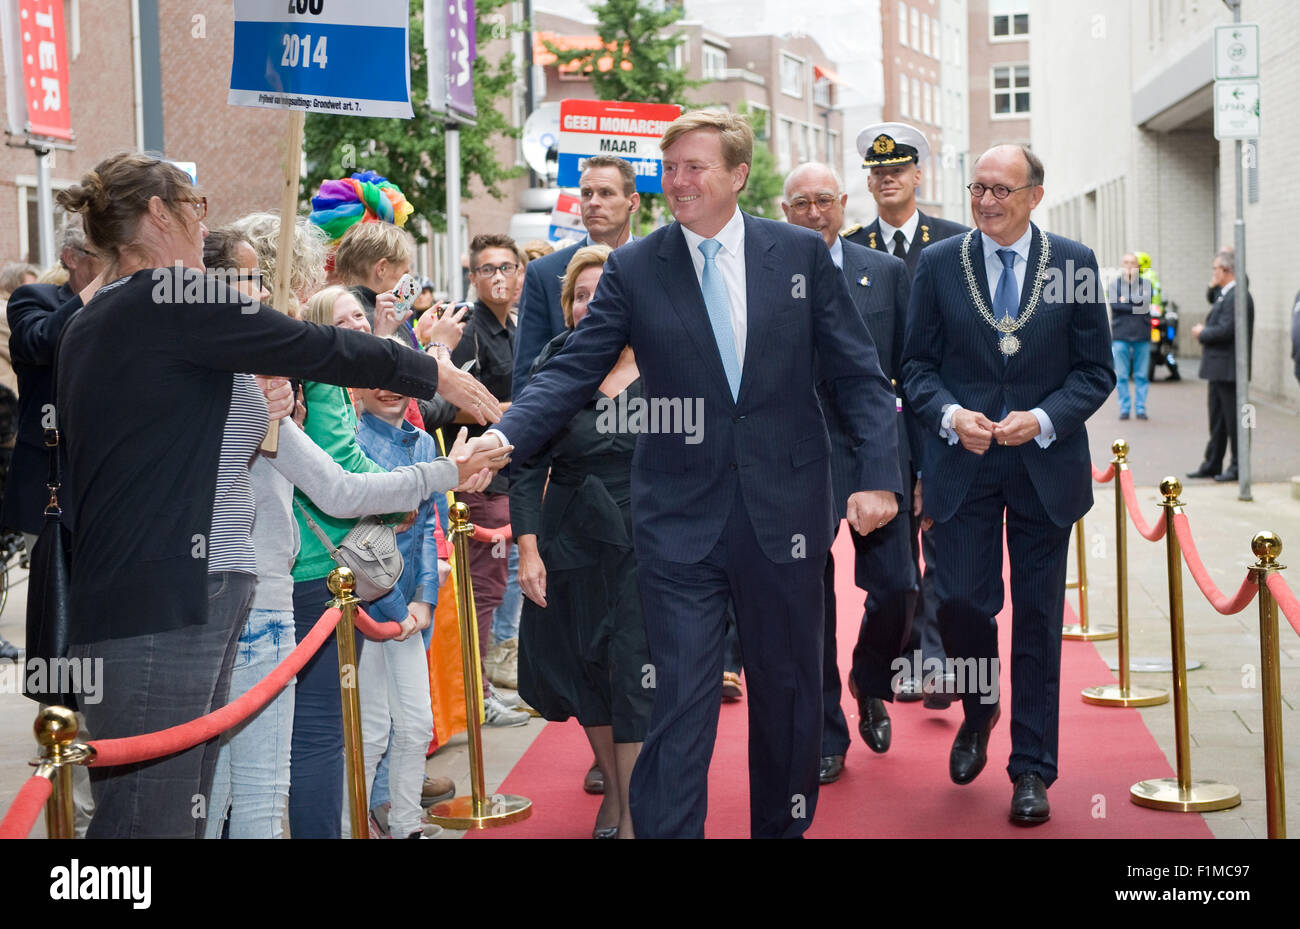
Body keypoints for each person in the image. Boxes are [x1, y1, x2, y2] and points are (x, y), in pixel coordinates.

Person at [460, 109, 901, 838]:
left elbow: (858, 372)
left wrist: (878, 473)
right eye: (670, 168)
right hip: (676, 526)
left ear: (737, 174)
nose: (680, 180)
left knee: (788, 698)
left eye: (696, 166)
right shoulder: (637, 267)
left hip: (784, 517)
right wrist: (504, 435)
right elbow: (573, 368)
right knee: (678, 702)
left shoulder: (797, 255)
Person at [52, 153, 502, 839]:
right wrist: (431, 372)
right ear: (158, 215)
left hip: (171, 596)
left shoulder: (113, 314)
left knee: (184, 806)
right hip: (161, 603)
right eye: (195, 208)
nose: (202, 225)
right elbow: (311, 344)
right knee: (150, 822)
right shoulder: (165, 298)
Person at [902, 144, 1114, 825]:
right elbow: (915, 366)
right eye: (978, 188)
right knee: (963, 602)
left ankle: (1031, 768)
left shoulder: (1073, 265)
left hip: (1043, 468)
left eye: (1001, 189)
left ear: (1035, 194)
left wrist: (1047, 417)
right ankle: (979, 704)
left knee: (1039, 619)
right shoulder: (938, 264)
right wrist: (950, 414)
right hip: (961, 465)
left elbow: (1095, 370)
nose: (986, 201)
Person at [288, 283, 496, 838]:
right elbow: (352, 501)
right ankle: (370, 819)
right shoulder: (338, 429)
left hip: (404, 605)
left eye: (362, 316)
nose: (357, 327)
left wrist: (426, 600)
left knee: (416, 724)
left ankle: (404, 822)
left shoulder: (419, 440)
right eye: (343, 320)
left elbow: (426, 529)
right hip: (358, 602)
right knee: (366, 728)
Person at [780, 162, 915, 786]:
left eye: (824, 201)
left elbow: (909, 376)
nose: (813, 213)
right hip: (799, 459)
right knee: (810, 605)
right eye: (800, 203)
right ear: (785, 211)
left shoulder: (885, 272)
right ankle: (827, 732)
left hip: (873, 451)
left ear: (842, 203)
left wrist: (913, 473)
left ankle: (870, 675)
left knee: (897, 589)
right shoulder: (769, 273)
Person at [511, 244, 652, 838]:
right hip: (571, 536)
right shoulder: (557, 367)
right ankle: (615, 795)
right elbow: (523, 462)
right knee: (585, 665)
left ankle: (635, 813)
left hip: (649, 536)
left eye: (605, 292)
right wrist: (527, 547)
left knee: (633, 667)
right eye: (581, 295)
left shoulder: (669, 360)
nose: (592, 303)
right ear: (568, 307)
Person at [847, 121, 968, 712]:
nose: (887, 178)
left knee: (946, 555)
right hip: (880, 430)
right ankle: (880, 672)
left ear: (920, 175)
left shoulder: (957, 243)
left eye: (897, 169)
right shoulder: (849, 249)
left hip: (943, 421)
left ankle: (937, 665)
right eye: (877, 170)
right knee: (893, 573)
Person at [431, 233, 531, 727]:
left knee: (497, 585)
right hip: (476, 480)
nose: (498, 277)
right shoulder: (468, 330)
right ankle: (477, 692)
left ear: (519, 274)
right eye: (487, 269)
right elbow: (442, 402)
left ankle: (486, 681)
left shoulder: (514, 325)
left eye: (506, 268)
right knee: (482, 590)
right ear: (473, 276)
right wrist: (505, 413)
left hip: (506, 477)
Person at [512, 155, 640, 395]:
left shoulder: (657, 265)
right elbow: (526, 377)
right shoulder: (544, 273)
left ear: (632, 202)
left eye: (606, 193)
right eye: (586, 193)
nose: (593, 202)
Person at [1187, 249, 1254, 483]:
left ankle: (1237, 466)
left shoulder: (1238, 295)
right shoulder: (1225, 294)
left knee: (1235, 421)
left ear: (1226, 270)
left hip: (1230, 370)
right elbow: (1212, 296)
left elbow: (1227, 330)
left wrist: (1203, 332)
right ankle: (1212, 462)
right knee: (1217, 421)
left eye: (1215, 268)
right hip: (1218, 370)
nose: (1213, 273)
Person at [1110, 252, 1153, 421]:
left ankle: (1141, 408)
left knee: (1141, 375)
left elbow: (1145, 304)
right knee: (1121, 375)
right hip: (1120, 336)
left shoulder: (1146, 284)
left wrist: (1125, 300)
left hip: (1142, 335)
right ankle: (1125, 408)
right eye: (1126, 262)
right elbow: (1115, 305)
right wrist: (1134, 301)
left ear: (1137, 266)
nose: (1129, 266)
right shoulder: (1114, 285)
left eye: (1132, 263)